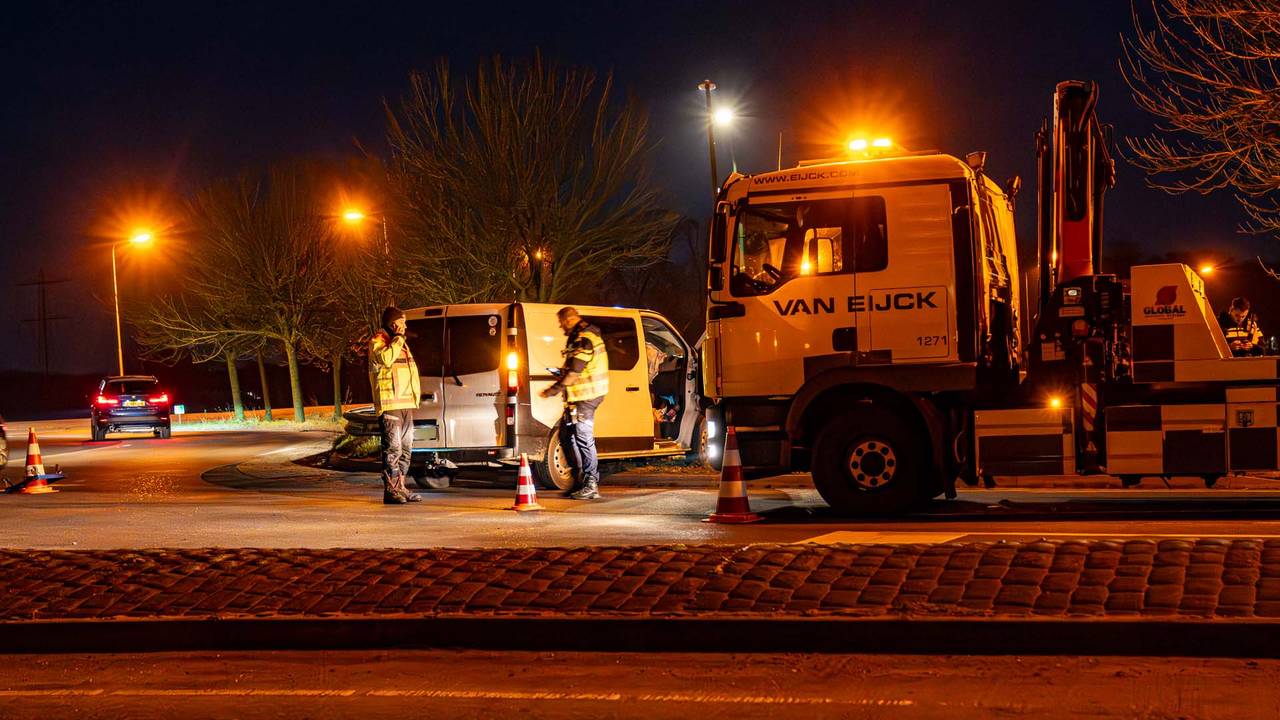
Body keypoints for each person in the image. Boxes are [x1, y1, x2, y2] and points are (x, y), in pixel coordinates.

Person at [539, 306, 609, 500]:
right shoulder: (577, 336)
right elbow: (572, 366)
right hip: (577, 397)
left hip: (587, 396)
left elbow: (576, 371)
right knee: (566, 434)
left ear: (569, 320)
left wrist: (554, 389)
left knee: (582, 437)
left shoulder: (585, 337)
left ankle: (591, 483)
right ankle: (579, 481)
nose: (561, 328)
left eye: (561, 324)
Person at [368, 305, 423, 504]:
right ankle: (391, 490)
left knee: (406, 449)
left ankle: (401, 487)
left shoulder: (399, 343)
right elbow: (386, 359)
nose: (405, 326)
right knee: (393, 449)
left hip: (406, 404)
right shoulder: (378, 341)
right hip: (390, 404)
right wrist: (399, 339)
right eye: (402, 322)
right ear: (393, 324)